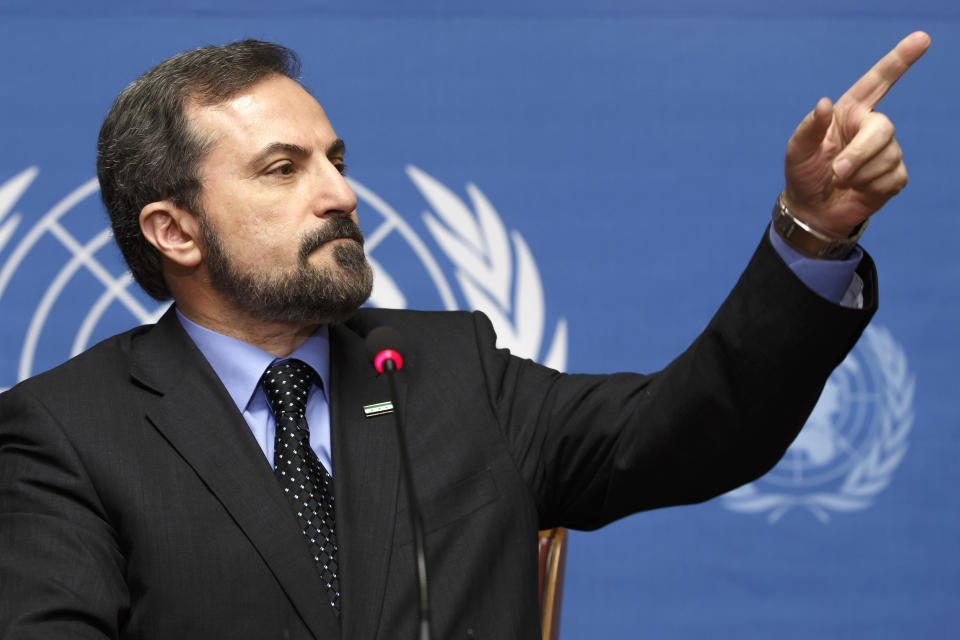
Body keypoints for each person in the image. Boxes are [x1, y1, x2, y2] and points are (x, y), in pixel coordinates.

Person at [0, 33, 929, 640]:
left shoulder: (448, 369)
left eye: (335, 160)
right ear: (174, 230)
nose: (339, 194)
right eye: (282, 169)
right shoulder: (65, 435)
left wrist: (816, 232)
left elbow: (695, 427)